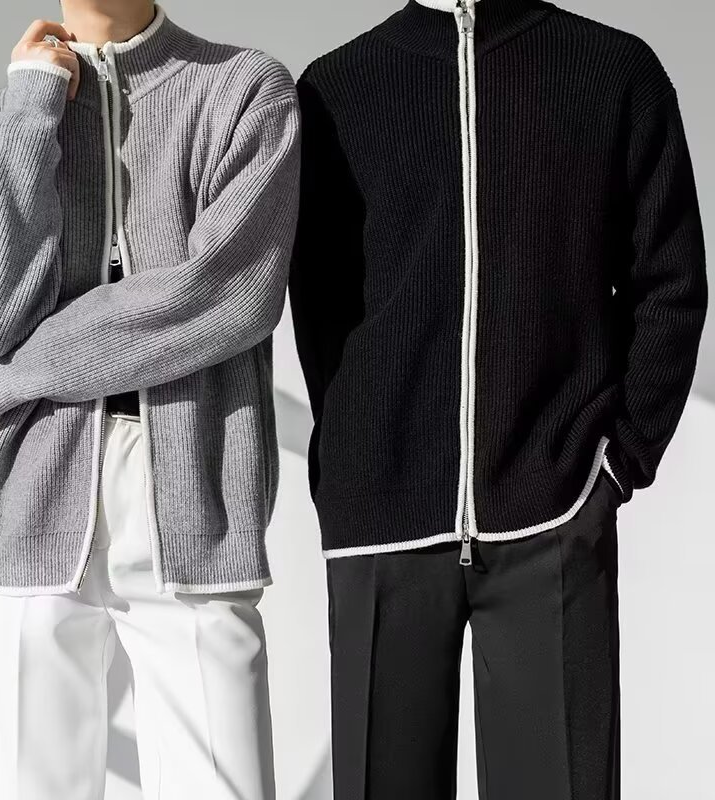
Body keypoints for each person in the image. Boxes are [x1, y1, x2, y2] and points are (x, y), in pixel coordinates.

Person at [290, 1, 707, 798]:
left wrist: (617, 462)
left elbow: (670, 285)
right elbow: (320, 303)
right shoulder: (337, 90)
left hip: (555, 509)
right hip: (381, 521)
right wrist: (356, 454)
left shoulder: (613, 71)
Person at [0, 1, 300, 797]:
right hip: (35, 509)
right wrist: (33, 111)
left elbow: (226, 296)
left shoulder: (242, 90)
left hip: (194, 507)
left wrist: (10, 379)